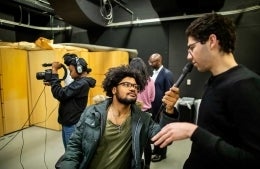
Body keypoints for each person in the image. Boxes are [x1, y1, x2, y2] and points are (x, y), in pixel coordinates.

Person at [152, 13, 260, 169]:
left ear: (212, 41)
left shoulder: (246, 85)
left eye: (191, 48)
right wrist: (170, 110)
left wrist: (193, 131)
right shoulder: (214, 81)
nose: (188, 56)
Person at [58, 65, 179, 169]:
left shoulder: (143, 119)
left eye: (136, 87)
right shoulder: (92, 113)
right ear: (114, 89)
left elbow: (163, 139)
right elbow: (74, 146)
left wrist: (169, 110)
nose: (133, 88)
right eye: (126, 84)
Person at [48, 53, 96, 149]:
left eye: (71, 71)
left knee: (71, 153)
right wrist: (54, 83)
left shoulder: (81, 83)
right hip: (70, 122)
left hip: (72, 125)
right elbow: (65, 92)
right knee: (70, 151)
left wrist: (54, 71)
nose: (69, 74)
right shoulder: (80, 82)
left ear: (79, 69)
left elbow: (60, 94)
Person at [129, 57, 155, 169]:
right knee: (146, 143)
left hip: (134, 112)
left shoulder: (130, 82)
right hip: (147, 113)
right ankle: (147, 165)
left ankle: (135, 164)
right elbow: (153, 98)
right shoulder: (150, 80)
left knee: (133, 140)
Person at [148, 53, 174, 162]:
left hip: (162, 108)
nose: (150, 64)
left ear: (159, 61)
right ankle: (156, 149)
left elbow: (169, 93)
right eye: (149, 61)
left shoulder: (167, 74)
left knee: (163, 130)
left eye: (152, 62)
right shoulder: (154, 73)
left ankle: (161, 154)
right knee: (156, 130)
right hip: (154, 108)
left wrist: (166, 108)